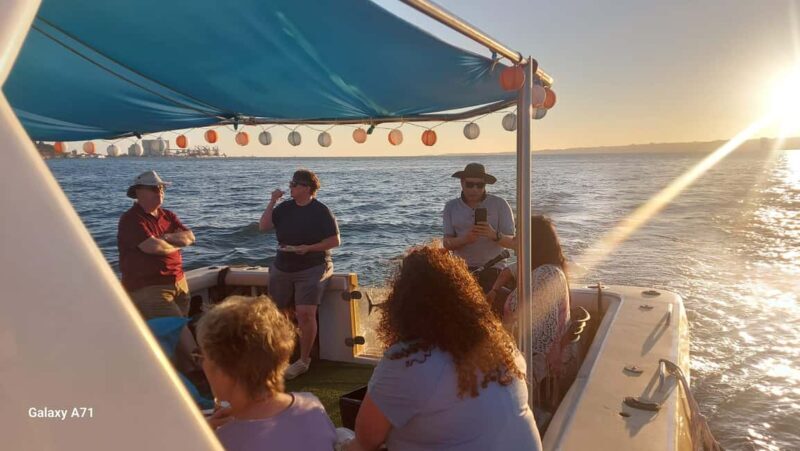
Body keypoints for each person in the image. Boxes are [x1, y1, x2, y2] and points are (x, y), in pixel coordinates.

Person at [344, 246, 542, 451]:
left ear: (402, 305)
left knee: (343, 438)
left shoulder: (410, 361)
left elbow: (366, 440)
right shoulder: (503, 346)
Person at [199, 295, 337, 451]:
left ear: (222, 372)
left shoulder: (221, 440)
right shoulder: (312, 406)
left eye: (203, 358)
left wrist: (201, 434)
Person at [259, 169, 340, 379]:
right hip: (283, 265)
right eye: (290, 184)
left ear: (306, 188)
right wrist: (272, 201)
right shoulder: (284, 208)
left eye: (294, 184)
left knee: (305, 313)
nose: (290, 187)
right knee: (277, 312)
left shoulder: (321, 211)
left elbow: (334, 241)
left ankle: (303, 360)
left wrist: (308, 248)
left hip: (312, 266)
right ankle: (277, 355)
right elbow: (264, 226)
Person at [489, 215, 571, 391]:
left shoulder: (545, 276)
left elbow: (537, 340)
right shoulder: (542, 268)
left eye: (519, 235)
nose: (515, 240)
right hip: (523, 352)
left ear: (532, 242)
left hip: (535, 367)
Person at [117, 170, 195, 319]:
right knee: (180, 334)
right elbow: (154, 247)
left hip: (179, 282)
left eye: (161, 188)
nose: (159, 191)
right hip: (150, 289)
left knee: (177, 331)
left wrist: (165, 237)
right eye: (154, 188)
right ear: (139, 192)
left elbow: (190, 237)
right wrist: (177, 242)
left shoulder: (168, 215)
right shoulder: (131, 219)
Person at [443, 163, 515, 293]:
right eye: (470, 184)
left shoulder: (500, 204)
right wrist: (465, 239)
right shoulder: (451, 207)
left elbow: (514, 243)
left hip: (494, 268)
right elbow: (446, 243)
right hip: (461, 269)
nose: (474, 189)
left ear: (485, 185)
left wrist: (494, 235)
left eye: (480, 185)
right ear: (462, 183)